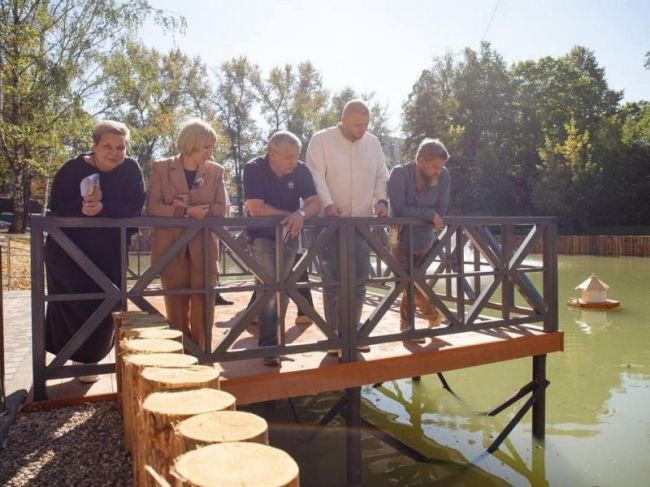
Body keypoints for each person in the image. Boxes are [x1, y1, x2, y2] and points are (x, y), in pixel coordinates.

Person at [44, 120, 145, 383]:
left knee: (106, 303)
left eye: (120, 147)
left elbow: (134, 208)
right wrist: (82, 209)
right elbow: (56, 208)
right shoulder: (71, 169)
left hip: (109, 251)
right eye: (107, 146)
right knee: (72, 304)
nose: (114, 153)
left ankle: (90, 361)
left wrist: (103, 208)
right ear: (95, 145)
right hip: (68, 252)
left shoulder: (131, 169)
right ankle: (65, 358)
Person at [306, 99, 389, 354]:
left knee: (359, 280)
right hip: (329, 224)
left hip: (361, 223)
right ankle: (334, 337)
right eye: (356, 125)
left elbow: (381, 175)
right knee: (333, 282)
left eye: (365, 124)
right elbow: (315, 175)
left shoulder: (373, 143)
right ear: (343, 120)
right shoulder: (321, 140)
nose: (361, 130)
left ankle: (352, 334)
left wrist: (382, 201)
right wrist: (328, 205)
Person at [147, 119, 227, 349]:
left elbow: (222, 208)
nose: (211, 152)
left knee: (204, 301)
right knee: (176, 303)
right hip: (170, 245)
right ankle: (179, 352)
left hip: (204, 246)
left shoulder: (216, 171)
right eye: (206, 147)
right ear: (191, 144)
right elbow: (153, 207)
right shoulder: (161, 167)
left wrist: (203, 210)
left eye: (212, 147)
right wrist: (185, 211)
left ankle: (202, 353)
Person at [243, 131, 321, 366]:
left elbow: (315, 202)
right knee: (271, 289)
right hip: (262, 238)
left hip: (290, 237)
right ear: (272, 154)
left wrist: (301, 214)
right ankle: (270, 347)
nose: (294, 161)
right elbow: (256, 208)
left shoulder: (300, 169)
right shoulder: (254, 168)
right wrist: (290, 215)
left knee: (283, 289)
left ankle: (272, 341)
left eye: (296, 156)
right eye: (288, 156)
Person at [387, 138, 450, 343]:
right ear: (420, 160)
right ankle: (433, 315)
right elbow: (399, 208)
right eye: (434, 167)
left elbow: (441, 210)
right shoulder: (399, 173)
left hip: (424, 238)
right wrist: (429, 215)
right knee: (406, 281)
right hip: (399, 237)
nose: (438, 172)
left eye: (440, 167)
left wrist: (429, 215)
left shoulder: (444, 176)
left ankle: (407, 329)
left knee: (414, 281)